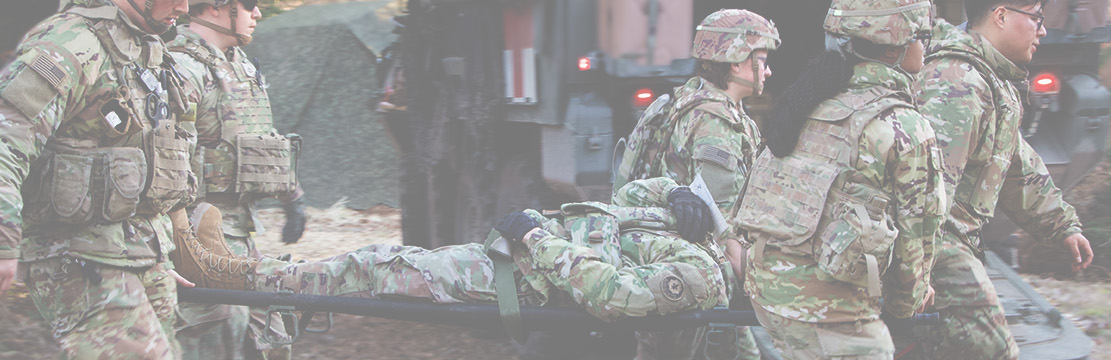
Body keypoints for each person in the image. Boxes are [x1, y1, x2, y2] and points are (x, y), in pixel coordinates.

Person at [176, 177, 736, 360]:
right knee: (373, 265)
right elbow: (631, 191)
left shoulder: (702, 272)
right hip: (511, 265)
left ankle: (235, 277)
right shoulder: (686, 223)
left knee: (373, 268)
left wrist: (536, 237)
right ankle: (243, 273)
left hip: (517, 279)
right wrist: (679, 189)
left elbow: (615, 297)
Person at [0, 0, 217, 357]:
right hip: (79, 258)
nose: (183, 8)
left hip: (141, 257)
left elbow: (157, 162)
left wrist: (159, 253)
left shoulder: (147, 50)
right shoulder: (72, 44)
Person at [734, 0, 947, 359]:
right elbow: (920, 233)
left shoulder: (808, 102)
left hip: (768, 295)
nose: (926, 47)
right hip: (826, 312)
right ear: (892, 48)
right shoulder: (903, 126)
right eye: (922, 37)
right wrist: (907, 305)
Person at [914, 0, 1094, 358]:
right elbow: (926, 194)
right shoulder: (957, 83)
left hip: (949, 243)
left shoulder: (991, 82)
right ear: (1000, 16)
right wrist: (916, 273)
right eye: (1036, 18)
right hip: (937, 244)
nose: (1042, 30)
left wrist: (1062, 225)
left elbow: (1016, 166)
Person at [612, 8, 780, 360]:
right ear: (735, 63)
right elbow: (721, 218)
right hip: (698, 275)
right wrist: (756, 278)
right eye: (760, 60)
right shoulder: (715, 122)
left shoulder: (691, 100)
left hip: (680, 267)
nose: (767, 70)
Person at [165, 0, 306, 358]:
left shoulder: (241, 67)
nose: (257, 13)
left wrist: (292, 196)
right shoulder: (181, 70)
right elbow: (162, 165)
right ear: (214, 5)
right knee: (216, 337)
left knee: (271, 338)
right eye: (247, 3)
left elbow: (262, 143)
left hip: (241, 233)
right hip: (196, 238)